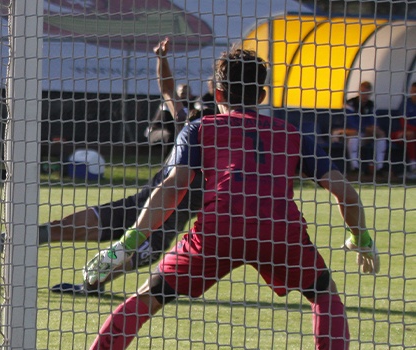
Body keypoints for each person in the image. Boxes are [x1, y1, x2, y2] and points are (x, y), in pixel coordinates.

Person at [85, 47, 380, 350]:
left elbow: (173, 187)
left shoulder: (198, 127)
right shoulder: (291, 133)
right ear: (263, 95)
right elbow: (345, 191)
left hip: (220, 227)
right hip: (279, 230)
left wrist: (128, 243)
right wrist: (361, 238)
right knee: (324, 293)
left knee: (151, 293)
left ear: (218, 93)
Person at [0, 37, 206, 295]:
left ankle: (88, 287)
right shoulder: (187, 129)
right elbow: (167, 90)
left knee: (109, 266)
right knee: (58, 227)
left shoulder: (222, 158)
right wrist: (161, 59)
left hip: (158, 232)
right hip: (132, 208)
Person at [332, 81, 388, 176]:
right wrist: (366, 128)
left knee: (381, 138)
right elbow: (350, 124)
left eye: (366, 93)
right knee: (354, 138)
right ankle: (355, 168)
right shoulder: (350, 104)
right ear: (359, 91)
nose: (364, 95)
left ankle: (379, 167)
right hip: (343, 133)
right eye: (362, 92)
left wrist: (373, 130)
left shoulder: (371, 105)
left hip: (363, 134)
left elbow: (374, 123)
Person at [393, 82, 416, 180]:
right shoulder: (406, 104)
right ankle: (413, 168)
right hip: (399, 132)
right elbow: (403, 123)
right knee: (409, 136)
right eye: (413, 91)